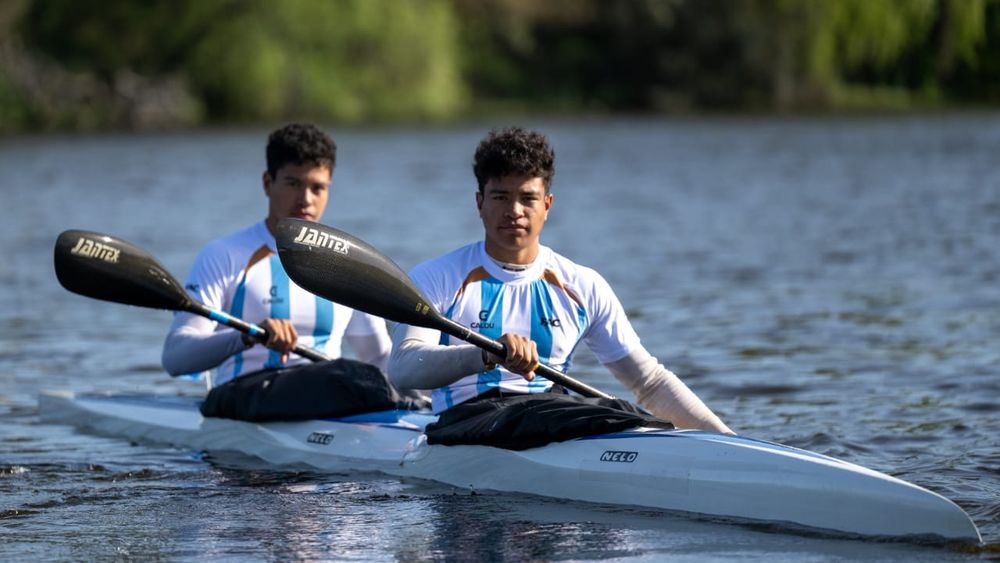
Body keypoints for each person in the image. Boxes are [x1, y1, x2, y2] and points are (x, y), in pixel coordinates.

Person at [389, 126, 732, 434]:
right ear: (479, 203)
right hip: (466, 421)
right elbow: (403, 369)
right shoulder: (438, 277)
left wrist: (727, 441)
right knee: (610, 414)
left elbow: (650, 383)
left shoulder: (582, 285)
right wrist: (484, 355)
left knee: (629, 413)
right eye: (500, 197)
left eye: (528, 198)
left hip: (552, 417)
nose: (515, 211)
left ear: (547, 205)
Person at [162, 124, 394, 412]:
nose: (306, 199)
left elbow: (379, 360)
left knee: (375, 379)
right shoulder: (224, 256)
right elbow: (175, 357)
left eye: (317, 187)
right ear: (267, 182)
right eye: (293, 183)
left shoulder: (347, 264)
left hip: (327, 394)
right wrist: (246, 335)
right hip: (242, 395)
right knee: (347, 376)